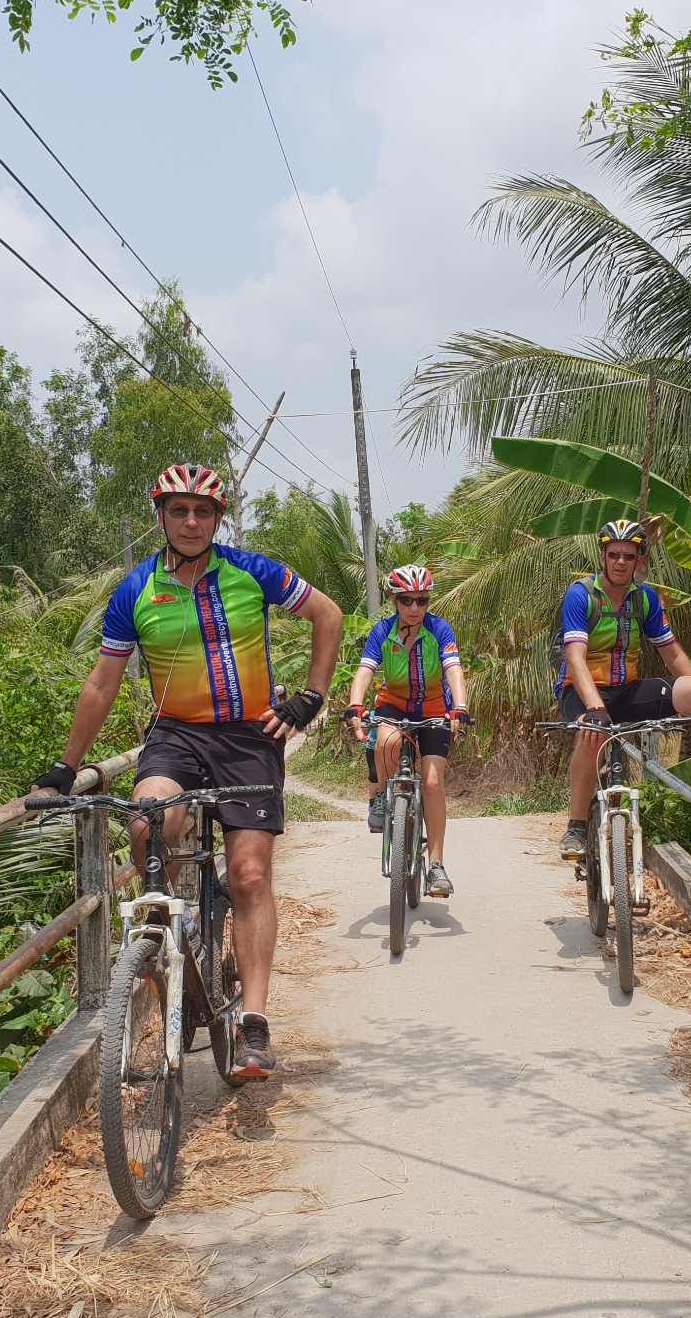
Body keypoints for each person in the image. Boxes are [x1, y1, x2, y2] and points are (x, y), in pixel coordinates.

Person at [32, 462, 343, 1081]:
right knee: (150, 822)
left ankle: (253, 1024)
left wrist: (309, 698)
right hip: (174, 736)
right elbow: (102, 682)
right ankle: (172, 937)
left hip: (250, 735)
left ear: (218, 519)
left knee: (251, 874)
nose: (192, 522)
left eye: (203, 512)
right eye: (179, 511)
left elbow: (328, 616)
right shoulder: (136, 591)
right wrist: (64, 770)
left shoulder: (253, 572)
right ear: (162, 516)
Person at [554, 519, 691, 862]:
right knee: (591, 736)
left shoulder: (645, 599)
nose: (620, 562)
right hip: (584, 691)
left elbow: (672, 652)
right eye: (614, 554)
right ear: (603, 557)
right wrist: (595, 709)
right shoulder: (581, 595)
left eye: (628, 556)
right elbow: (575, 658)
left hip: (628, 690)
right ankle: (576, 825)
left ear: (639, 560)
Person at [341, 565, 471, 898]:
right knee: (386, 741)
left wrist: (460, 707)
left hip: (432, 707)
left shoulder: (440, 629)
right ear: (394, 600)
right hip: (393, 703)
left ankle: (438, 864)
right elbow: (365, 671)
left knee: (431, 781)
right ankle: (382, 798)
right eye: (406, 600)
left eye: (421, 600)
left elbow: (453, 669)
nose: (414, 608)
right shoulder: (381, 631)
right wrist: (356, 706)